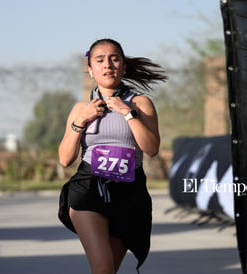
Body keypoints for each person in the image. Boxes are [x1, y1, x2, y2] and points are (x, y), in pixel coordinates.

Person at [58, 38, 167, 274]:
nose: (108, 64)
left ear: (123, 67)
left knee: (107, 272)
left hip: (128, 193)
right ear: (91, 70)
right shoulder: (80, 108)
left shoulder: (140, 103)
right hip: (88, 189)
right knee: (103, 266)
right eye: (100, 60)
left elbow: (151, 148)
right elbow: (65, 159)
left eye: (114, 58)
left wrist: (128, 114)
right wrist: (80, 121)